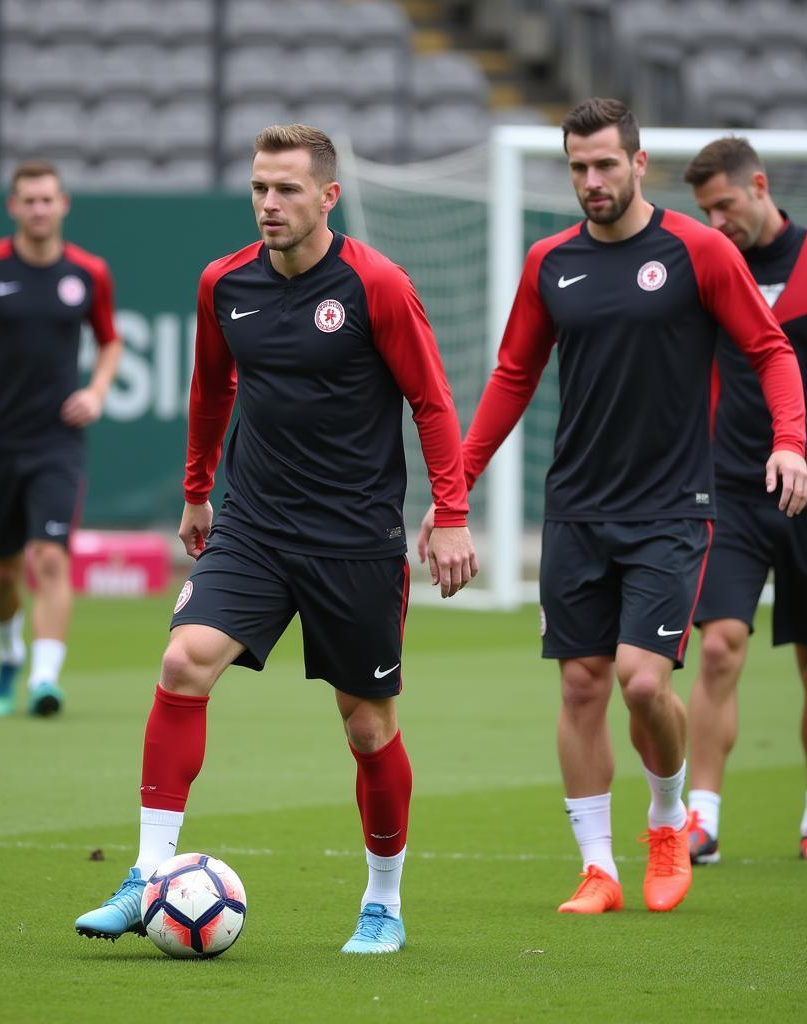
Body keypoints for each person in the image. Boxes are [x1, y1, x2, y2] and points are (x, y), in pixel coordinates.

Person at [74, 124, 476, 955]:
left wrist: (454, 513)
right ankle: (148, 874)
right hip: (254, 526)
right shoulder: (223, 283)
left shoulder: (378, 285)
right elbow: (209, 389)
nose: (269, 203)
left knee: (367, 729)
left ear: (328, 197)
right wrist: (196, 492)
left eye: (287, 189)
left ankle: (384, 902)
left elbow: (432, 403)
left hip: (354, 541)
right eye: (260, 187)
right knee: (184, 662)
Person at [418, 98, 807, 914]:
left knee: (639, 683)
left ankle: (669, 820)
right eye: (577, 168)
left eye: (604, 165)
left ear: (638, 164)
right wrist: (457, 487)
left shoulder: (698, 250)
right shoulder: (549, 263)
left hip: (674, 507)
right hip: (576, 508)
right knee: (582, 688)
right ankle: (598, 868)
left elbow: (770, 349)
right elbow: (513, 377)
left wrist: (789, 440)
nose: (590, 182)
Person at [0, 158, 122, 718]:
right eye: (28, 200)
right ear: (13, 207)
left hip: (57, 441)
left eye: (48, 199)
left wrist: (98, 391)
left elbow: (109, 341)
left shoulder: (88, 273)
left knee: (51, 556)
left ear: (64, 205)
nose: (39, 209)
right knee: (4, 571)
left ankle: (44, 679)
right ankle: (9, 653)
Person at [681, 137, 807, 864]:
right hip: (728, 486)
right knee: (721, 645)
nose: (716, 221)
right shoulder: (705, 266)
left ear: (758, 186)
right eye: (704, 211)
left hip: (806, 488)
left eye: (724, 205)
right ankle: (703, 817)